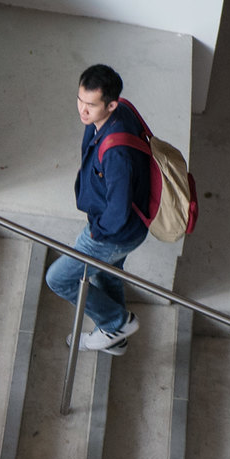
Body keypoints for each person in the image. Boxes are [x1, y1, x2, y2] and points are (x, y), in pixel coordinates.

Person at [45, 63, 152, 356]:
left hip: (112, 232)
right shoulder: (118, 113)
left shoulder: (116, 152)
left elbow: (116, 211)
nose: (82, 110)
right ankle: (115, 338)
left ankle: (117, 322)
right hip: (130, 226)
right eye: (80, 99)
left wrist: (97, 232)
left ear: (111, 104)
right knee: (107, 275)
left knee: (58, 278)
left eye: (91, 105)